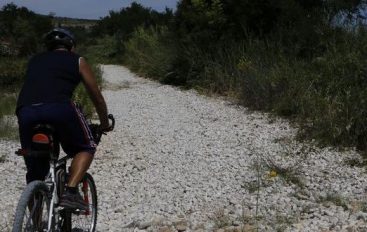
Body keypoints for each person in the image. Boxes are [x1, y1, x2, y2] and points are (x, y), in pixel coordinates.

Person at [16, 28, 111, 210]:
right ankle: (71, 192)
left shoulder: (34, 60)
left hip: (25, 111)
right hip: (59, 109)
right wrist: (104, 124)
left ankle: (34, 223)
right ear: (71, 46)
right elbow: (96, 97)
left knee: (35, 170)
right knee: (86, 146)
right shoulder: (77, 60)